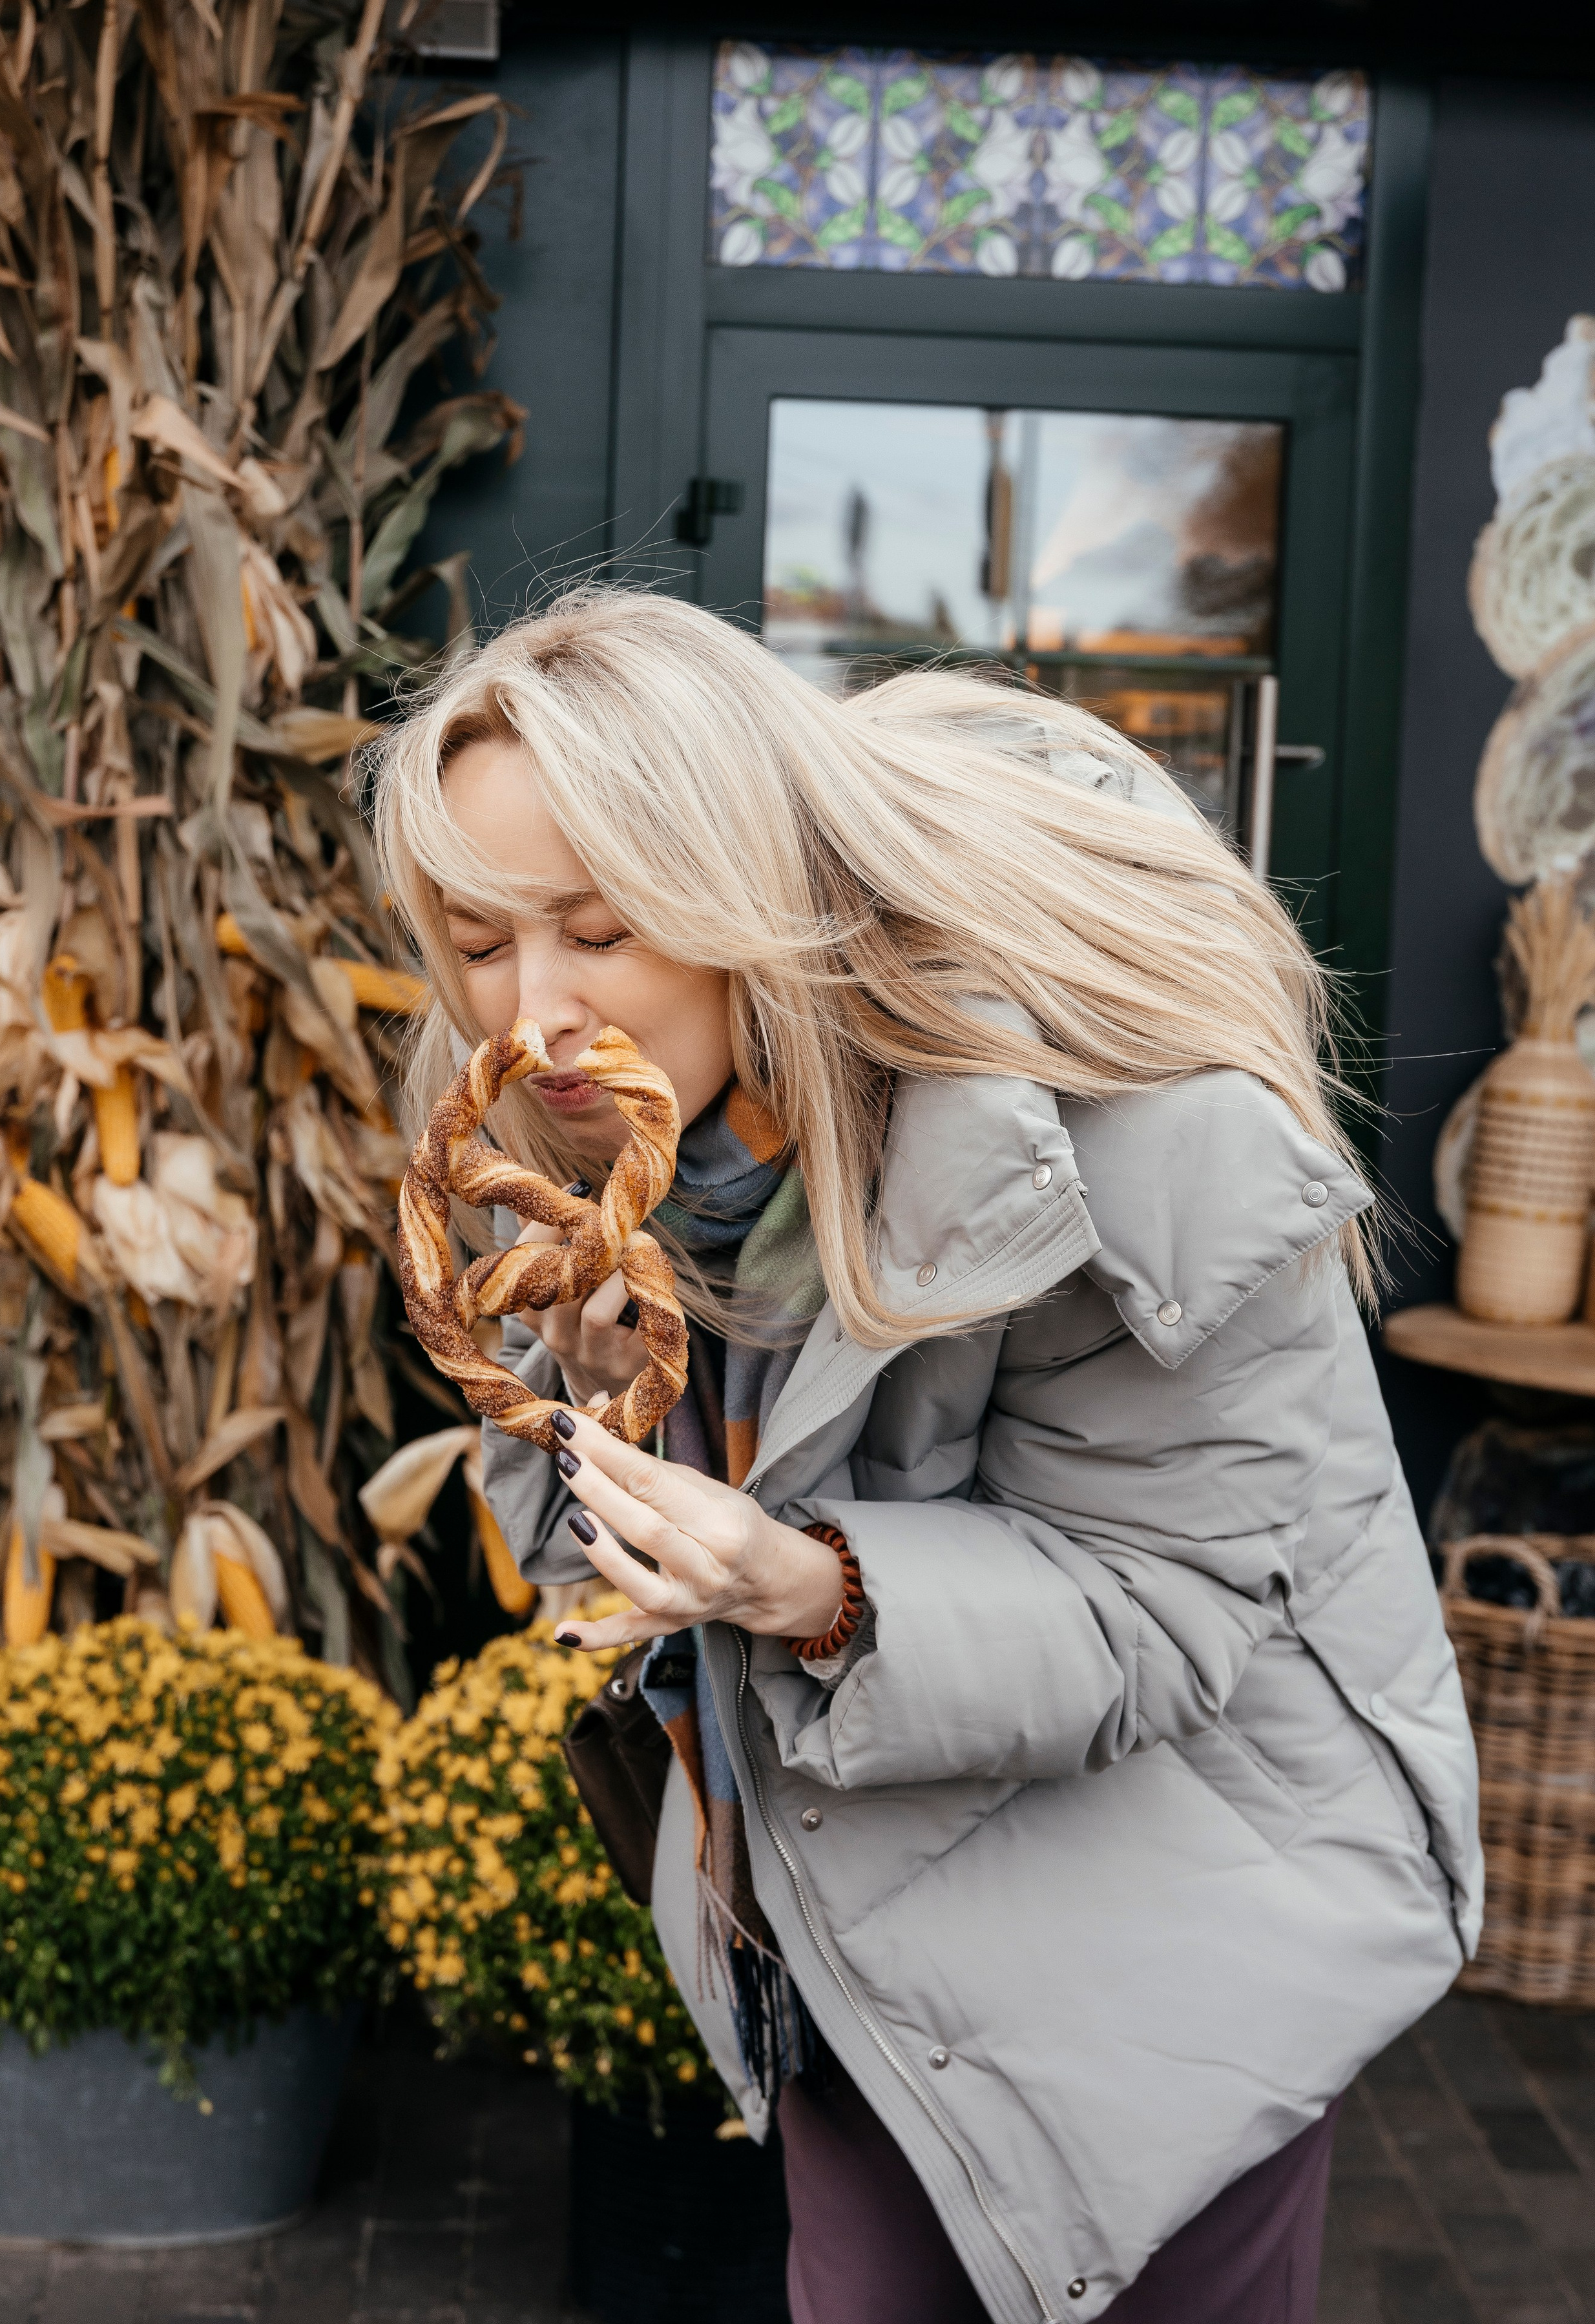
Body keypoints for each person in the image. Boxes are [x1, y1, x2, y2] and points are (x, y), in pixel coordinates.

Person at [371, 589, 1479, 2324]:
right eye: (480, 935)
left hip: (1181, 1954)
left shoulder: (1115, 1119)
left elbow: (1168, 1611)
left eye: (595, 927)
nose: (535, 1010)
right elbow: (580, 1567)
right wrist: (601, 1414)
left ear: (737, 887)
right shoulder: (566, 1135)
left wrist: (815, 1589)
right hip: (845, 1950)